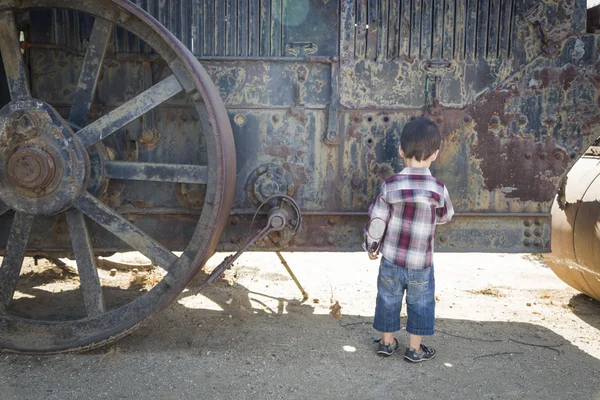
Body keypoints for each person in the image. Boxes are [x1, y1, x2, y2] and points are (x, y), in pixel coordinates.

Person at [365, 116, 454, 362]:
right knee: (421, 303)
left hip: (391, 260)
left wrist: (372, 247)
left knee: (388, 298)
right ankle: (414, 349)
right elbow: (445, 216)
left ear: (400, 150)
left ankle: (387, 342)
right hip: (421, 264)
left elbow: (377, 221)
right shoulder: (438, 189)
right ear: (435, 154)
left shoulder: (391, 186)